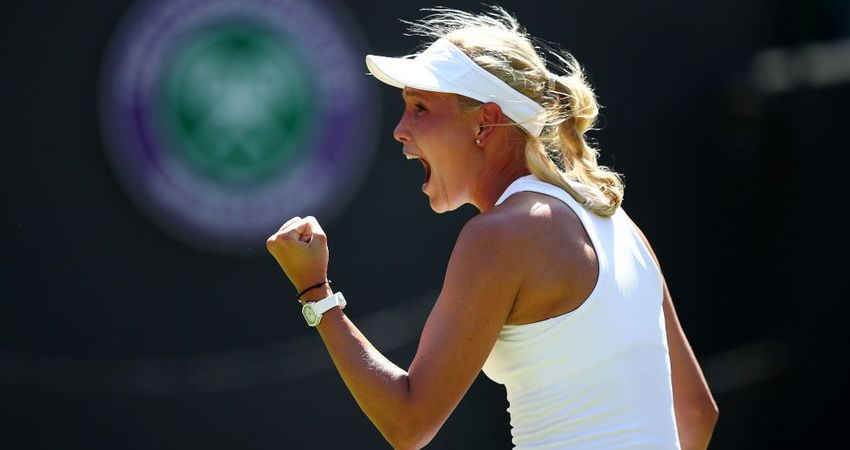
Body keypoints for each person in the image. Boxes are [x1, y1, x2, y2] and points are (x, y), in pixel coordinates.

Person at [266, 6, 718, 449]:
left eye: (420, 107)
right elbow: (696, 414)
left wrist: (316, 292)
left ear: (485, 121)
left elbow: (409, 423)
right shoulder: (619, 224)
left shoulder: (503, 235)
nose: (400, 131)